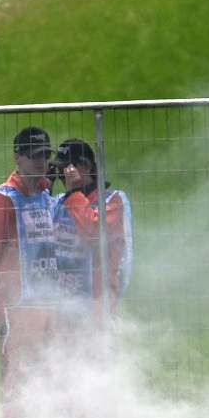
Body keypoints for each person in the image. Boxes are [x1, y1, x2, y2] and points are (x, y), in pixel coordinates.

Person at [0, 126, 60, 418]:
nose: (41, 162)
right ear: (17, 158)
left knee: (48, 386)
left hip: (47, 309)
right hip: (15, 312)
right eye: (34, 156)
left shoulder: (46, 196)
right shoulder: (3, 201)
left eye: (45, 155)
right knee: (20, 390)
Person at [49, 138, 134, 330]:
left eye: (67, 168)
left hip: (98, 309)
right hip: (63, 310)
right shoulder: (60, 202)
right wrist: (45, 186)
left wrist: (74, 193)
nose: (63, 175)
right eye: (59, 169)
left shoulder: (113, 201)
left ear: (86, 166)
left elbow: (94, 234)